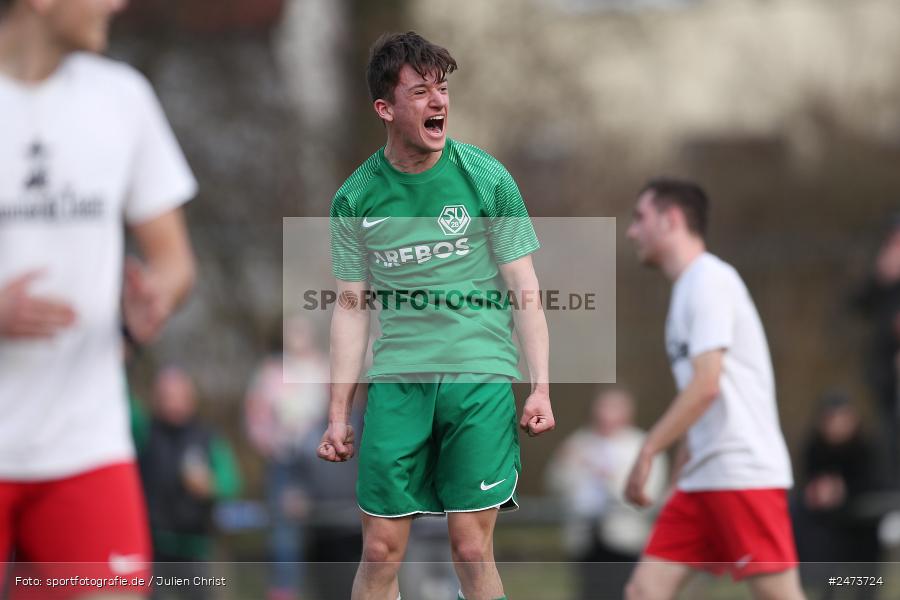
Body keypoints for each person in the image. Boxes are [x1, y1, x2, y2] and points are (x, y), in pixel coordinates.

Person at [316, 31, 554, 600]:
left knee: (470, 549)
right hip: (398, 382)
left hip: (479, 378)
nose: (438, 101)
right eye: (420, 92)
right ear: (385, 108)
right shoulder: (355, 198)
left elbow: (524, 287)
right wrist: (338, 413)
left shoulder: (486, 177)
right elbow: (351, 308)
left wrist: (541, 387)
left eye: (442, 89)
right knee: (380, 551)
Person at [0, 0, 197, 598]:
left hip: (87, 442)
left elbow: (175, 262)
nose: (116, 3)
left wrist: (152, 301)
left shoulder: (122, 97)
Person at [622, 178, 804, 600]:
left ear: (670, 220)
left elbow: (707, 385)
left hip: (740, 472)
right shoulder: (687, 288)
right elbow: (699, 400)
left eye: (640, 218)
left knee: (779, 596)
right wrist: (679, 475)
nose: (631, 231)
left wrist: (648, 449)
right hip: (702, 477)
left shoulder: (709, 280)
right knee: (644, 591)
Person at [545, 386, 667, 599]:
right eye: (604, 406)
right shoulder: (578, 442)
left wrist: (608, 478)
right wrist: (565, 465)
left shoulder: (643, 445)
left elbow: (649, 496)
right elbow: (555, 485)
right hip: (584, 540)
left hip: (626, 540)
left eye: (615, 407)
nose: (607, 413)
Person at [244, 316, 329, 600]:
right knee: (284, 532)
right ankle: (284, 591)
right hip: (283, 463)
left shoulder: (323, 369)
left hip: (322, 465)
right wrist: (270, 444)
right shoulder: (270, 372)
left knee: (330, 526)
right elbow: (255, 417)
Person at [138, 367, 241, 600]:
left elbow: (231, 483)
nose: (172, 404)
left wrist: (211, 485)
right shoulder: (144, 433)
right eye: (166, 397)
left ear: (191, 398)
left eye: (178, 396)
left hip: (195, 547)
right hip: (152, 546)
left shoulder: (208, 437)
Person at [792, 392, 880, 600]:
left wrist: (843, 490)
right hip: (826, 530)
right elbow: (806, 483)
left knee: (864, 577)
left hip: (863, 527)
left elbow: (877, 484)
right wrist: (816, 492)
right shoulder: (814, 448)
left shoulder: (867, 446)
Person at [852, 216, 900, 483]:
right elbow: (858, 305)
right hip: (886, 368)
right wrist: (880, 278)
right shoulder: (883, 272)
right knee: (889, 431)